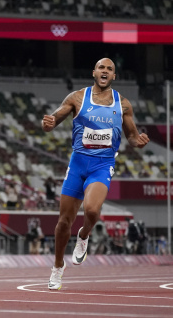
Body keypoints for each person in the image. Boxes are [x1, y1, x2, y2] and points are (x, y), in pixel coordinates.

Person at [42, 58, 149, 290]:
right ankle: (58, 267)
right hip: (78, 164)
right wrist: (49, 124)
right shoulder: (77, 98)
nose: (105, 71)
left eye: (110, 69)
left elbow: (131, 136)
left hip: (102, 165)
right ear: (94, 72)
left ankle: (84, 234)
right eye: (102, 67)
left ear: (114, 76)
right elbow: (55, 118)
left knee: (91, 210)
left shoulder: (123, 104)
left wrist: (137, 142)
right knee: (63, 223)